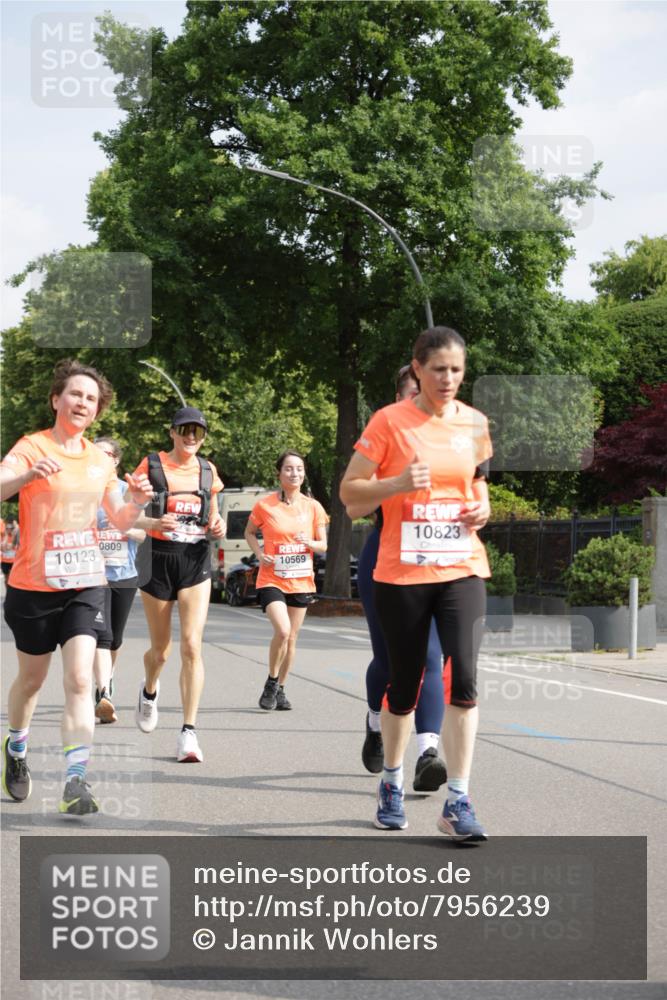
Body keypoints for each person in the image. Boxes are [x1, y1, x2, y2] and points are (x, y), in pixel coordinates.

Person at [340, 326, 492, 840]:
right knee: (404, 684)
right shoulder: (389, 422)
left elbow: (477, 484)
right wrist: (398, 483)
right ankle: (390, 780)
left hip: (461, 565)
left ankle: (459, 799)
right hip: (403, 571)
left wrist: (482, 509)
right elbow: (351, 496)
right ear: (418, 368)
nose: (448, 379)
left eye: (456, 369)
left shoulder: (474, 423)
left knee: (465, 681)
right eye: (438, 369)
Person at [0, 359, 154, 815]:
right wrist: (27, 476)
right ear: (56, 400)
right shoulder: (31, 446)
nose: (82, 402)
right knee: (31, 681)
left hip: (86, 582)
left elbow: (122, 519)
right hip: (33, 583)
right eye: (75, 394)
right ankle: (16, 746)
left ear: (97, 410)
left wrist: (138, 501)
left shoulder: (99, 459)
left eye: (91, 398)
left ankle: (75, 780)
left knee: (81, 678)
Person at [349, 365, 448, 792]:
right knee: (391, 662)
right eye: (414, 392)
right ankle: (376, 722)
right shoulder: (384, 434)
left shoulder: (453, 435)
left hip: (440, 560)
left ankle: (428, 754)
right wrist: (399, 481)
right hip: (387, 557)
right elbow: (354, 502)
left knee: (431, 659)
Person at [132, 407, 224, 763]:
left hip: (195, 559)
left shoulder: (207, 470)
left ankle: (188, 732)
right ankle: (150, 689)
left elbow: (213, 516)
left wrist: (217, 526)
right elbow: (127, 514)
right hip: (157, 558)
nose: (191, 438)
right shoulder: (151, 466)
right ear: (172, 432)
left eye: (198, 433)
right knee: (161, 651)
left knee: (191, 645)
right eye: (185, 431)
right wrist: (153, 523)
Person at [245, 451, 328, 711]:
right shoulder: (265, 505)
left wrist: (310, 543)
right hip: (272, 578)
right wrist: (260, 554)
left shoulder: (313, 506)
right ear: (279, 473)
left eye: (300, 469)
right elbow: (249, 532)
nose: (295, 473)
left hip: (301, 580)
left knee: (291, 638)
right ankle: (271, 681)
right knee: (282, 631)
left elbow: (323, 546)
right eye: (289, 469)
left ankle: (281, 688)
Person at [92, 437, 146, 725]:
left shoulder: (129, 492)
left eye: (106, 454)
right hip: (94, 576)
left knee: (116, 639)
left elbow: (142, 535)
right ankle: (103, 693)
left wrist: (123, 526)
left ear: (115, 460)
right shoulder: (85, 492)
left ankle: (106, 683)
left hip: (124, 575)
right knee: (103, 634)